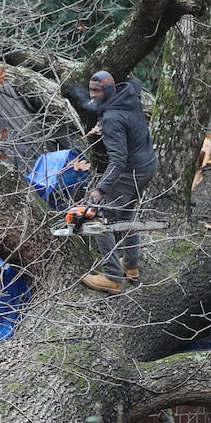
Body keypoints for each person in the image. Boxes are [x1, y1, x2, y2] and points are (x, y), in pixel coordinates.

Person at [73, 70, 158, 294]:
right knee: (127, 213)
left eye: (97, 91)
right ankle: (130, 266)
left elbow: (118, 160)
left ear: (109, 90)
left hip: (131, 170)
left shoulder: (112, 119)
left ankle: (112, 278)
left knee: (98, 218)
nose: (92, 95)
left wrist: (100, 189)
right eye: (90, 90)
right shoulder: (129, 93)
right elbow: (136, 81)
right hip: (147, 164)